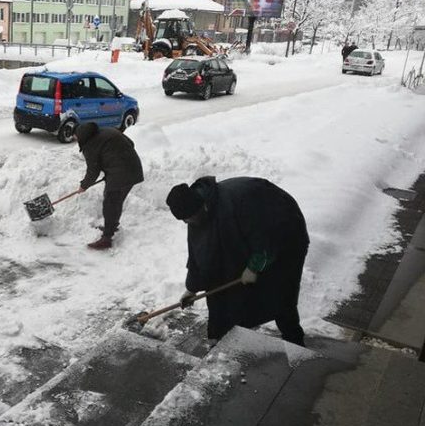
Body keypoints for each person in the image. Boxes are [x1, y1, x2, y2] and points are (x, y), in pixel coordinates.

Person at [166, 176, 309, 346]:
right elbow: (200, 255)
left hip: (285, 232)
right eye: (184, 220)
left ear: (202, 207)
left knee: (279, 291)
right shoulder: (196, 213)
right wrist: (192, 288)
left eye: (190, 218)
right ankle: (224, 338)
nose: (187, 222)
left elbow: (266, 239)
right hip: (249, 238)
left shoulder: (238, 204)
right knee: (223, 280)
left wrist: (254, 267)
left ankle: (294, 340)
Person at [75, 122, 144, 250]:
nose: (75, 139)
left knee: (111, 203)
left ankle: (106, 238)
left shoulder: (90, 145)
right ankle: (111, 226)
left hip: (121, 174)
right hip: (133, 167)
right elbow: (130, 143)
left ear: (81, 136)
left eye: (76, 137)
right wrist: (113, 163)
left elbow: (93, 170)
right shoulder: (107, 130)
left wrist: (84, 186)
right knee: (115, 200)